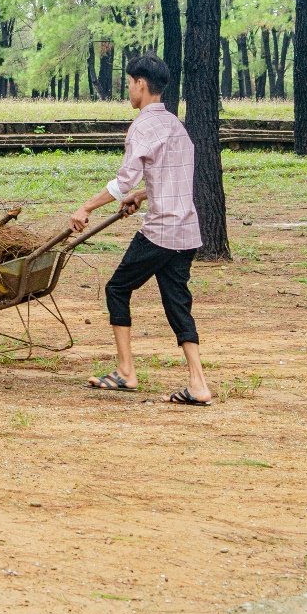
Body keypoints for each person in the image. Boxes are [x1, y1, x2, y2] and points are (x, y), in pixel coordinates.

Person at [70, 54, 213, 406]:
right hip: (187, 232)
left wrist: (86, 207)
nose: (128, 90)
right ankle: (198, 383)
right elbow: (171, 176)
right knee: (177, 303)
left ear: (141, 85)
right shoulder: (175, 126)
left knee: (117, 288)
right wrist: (141, 194)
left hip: (161, 231)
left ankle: (125, 371)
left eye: (130, 84)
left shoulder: (143, 127)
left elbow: (122, 180)